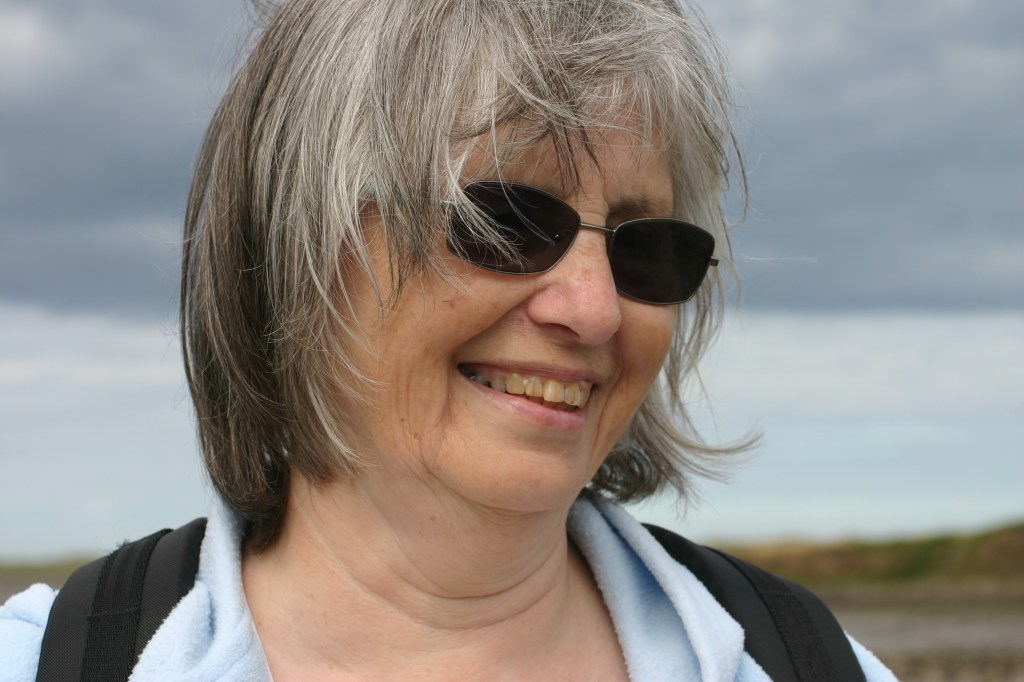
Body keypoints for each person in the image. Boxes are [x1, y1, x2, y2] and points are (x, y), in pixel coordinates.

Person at [2, 0, 897, 679]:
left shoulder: (805, 662)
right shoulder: (52, 659)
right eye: (504, 221)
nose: (593, 310)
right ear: (293, 241)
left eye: (646, 247)